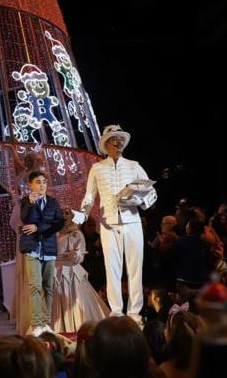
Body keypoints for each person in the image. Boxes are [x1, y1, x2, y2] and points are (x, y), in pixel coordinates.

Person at [80, 125, 157, 325]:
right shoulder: (97, 168)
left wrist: (137, 200)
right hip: (108, 223)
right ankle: (116, 312)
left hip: (132, 221)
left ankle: (135, 314)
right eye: (115, 139)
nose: (119, 142)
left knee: (135, 267)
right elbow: (89, 196)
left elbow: (151, 193)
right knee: (112, 267)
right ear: (106, 144)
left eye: (121, 139)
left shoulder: (134, 165)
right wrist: (84, 213)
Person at [19, 170, 64, 336]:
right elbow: (25, 219)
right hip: (32, 248)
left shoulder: (52, 202)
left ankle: (46, 323)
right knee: (35, 286)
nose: (42, 185)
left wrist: (39, 228)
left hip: (49, 248)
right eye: (38, 182)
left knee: (48, 287)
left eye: (44, 182)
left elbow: (58, 223)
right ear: (30, 185)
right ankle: (36, 325)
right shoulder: (25, 201)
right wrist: (30, 204)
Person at [51, 208, 109, 333]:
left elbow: (80, 256)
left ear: (72, 217)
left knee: (75, 302)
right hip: (55, 272)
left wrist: (75, 255)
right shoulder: (53, 234)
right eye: (61, 213)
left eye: (67, 213)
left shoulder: (76, 234)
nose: (64, 215)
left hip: (71, 272)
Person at [8, 143, 45, 334]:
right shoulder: (24, 175)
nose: (29, 160)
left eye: (33, 158)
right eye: (28, 158)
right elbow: (16, 162)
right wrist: (11, 149)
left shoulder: (38, 177)